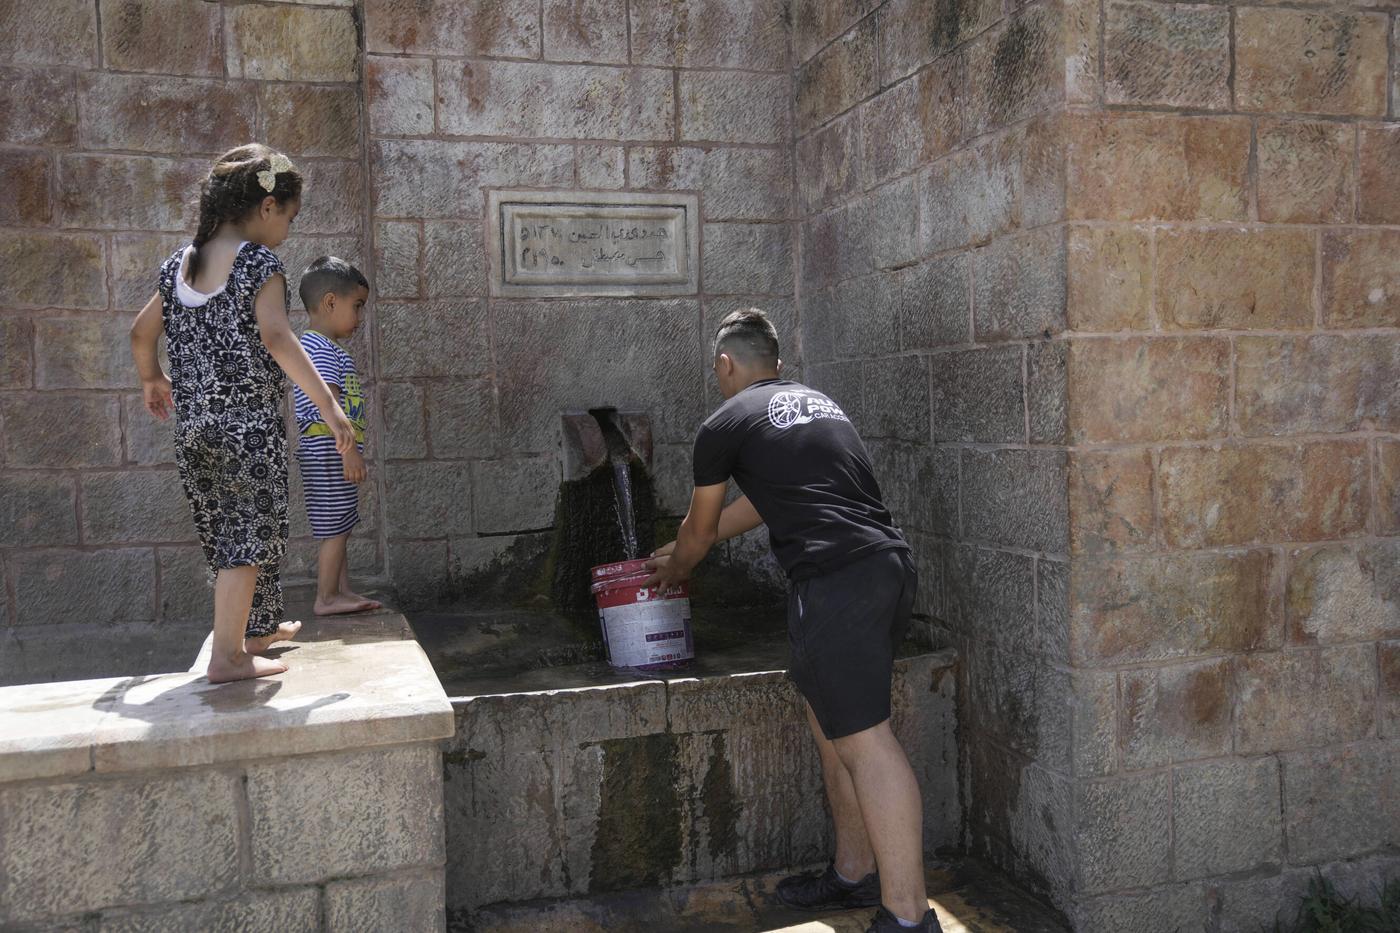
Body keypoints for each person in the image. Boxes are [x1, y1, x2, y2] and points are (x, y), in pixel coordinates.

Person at [645, 308, 940, 933]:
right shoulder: (818, 404)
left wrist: (679, 563)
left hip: (834, 581)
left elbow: (700, 529)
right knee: (838, 729)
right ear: (776, 365)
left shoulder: (723, 423)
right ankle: (853, 873)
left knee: (867, 742)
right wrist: (685, 550)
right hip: (885, 566)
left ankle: (910, 917)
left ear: (725, 365)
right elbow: (760, 504)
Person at [129, 143, 355, 684]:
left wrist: (151, 378)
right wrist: (330, 407)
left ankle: (254, 633)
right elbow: (278, 337)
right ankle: (227, 658)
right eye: (291, 218)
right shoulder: (258, 263)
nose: (289, 231)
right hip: (248, 428)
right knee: (247, 541)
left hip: (195, 429)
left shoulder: (179, 266)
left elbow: (141, 332)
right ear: (268, 206)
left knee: (237, 535)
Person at [292, 257, 382, 616]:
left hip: (329, 450)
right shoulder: (318, 349)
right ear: (331, 302)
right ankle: (326, 597)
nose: (359, 318)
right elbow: (327, 402)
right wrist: (348, 451)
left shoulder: (324, 348)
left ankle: (341, 590)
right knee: (335, 528)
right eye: (356, 306)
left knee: (341, 521)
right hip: (329, 450)